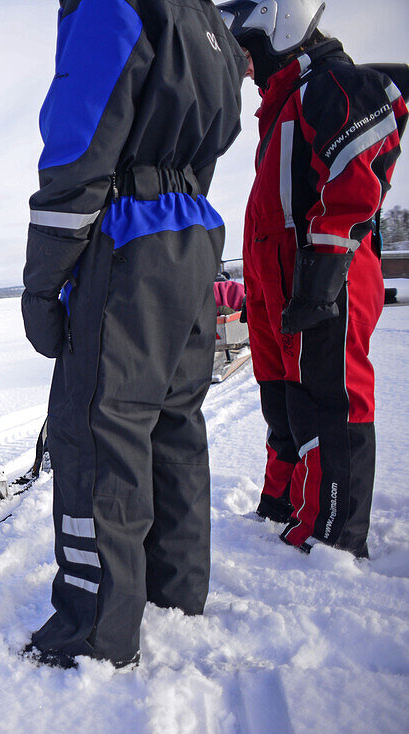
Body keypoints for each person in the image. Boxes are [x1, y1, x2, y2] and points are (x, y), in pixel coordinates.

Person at [20, 0, 247, 668]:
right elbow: (217, 129)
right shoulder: (207, 22)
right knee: (173, 422)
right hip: (193, 228)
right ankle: (174, 590)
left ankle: (94, 629)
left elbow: (81, 137)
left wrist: (43, 283)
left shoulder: (113, 3)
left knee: (98, 427)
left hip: (128, 235)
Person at [218, 0, 407, 557]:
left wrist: (324, 274)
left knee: (331, 400)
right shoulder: (281, 109)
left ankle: (332, 536)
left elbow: (355, 175)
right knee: (283, 404)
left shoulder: (331, 85)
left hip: (323, 279)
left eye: (249, 53)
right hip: (278, 288)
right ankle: (283, 503)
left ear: (280, 27)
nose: (247, 68)